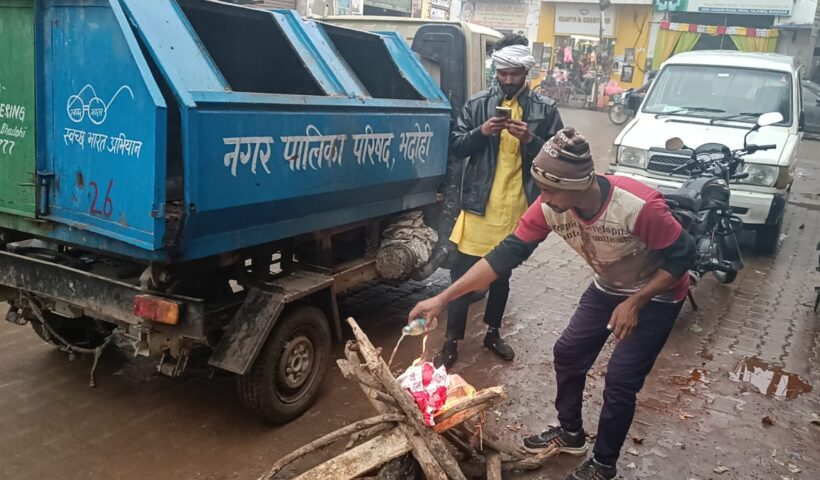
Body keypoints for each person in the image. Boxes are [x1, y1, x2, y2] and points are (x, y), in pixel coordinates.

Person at [409, 128, 696, 480]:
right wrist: (441, 298)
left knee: (621, 378)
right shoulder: (548, 208)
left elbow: (684, 255)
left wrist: (637, 301)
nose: (541, 198)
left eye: (548, 190)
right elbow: (503, 257)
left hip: (658, 293)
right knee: (569, 352)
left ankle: (604, 465)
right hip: (608, 287)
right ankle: (571, 433)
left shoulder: (637, 206)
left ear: (577, 185)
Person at [437, 34, 564, 370]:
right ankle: (451, 342)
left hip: (517, 207)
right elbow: (456, 147)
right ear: (496, 69)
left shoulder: (546, 110)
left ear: (527, 71)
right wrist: (482, 132)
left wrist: (531, 139)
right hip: (479, 205)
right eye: (503, 72)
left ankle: (492, 333)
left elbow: (560, 158)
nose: (508, 80)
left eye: (515, 73)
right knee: (462, 275)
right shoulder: (478, 104)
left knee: (501, 276)